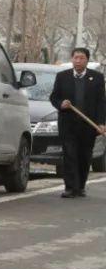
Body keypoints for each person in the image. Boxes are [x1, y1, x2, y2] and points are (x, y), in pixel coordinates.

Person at [49, 47, 106, 198]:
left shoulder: (97, 78)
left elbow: (101, 102)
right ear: (72, 59)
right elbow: (54, 97)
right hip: (68, 124)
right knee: (69, 154)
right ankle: (70, 187)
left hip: (88, 125)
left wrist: (101, 123)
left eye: (81, 58)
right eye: (76, 58)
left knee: (84, 156)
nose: (78, 61)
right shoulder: (62, 76)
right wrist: (61, 104)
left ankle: (80, 186)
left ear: (87, 60)